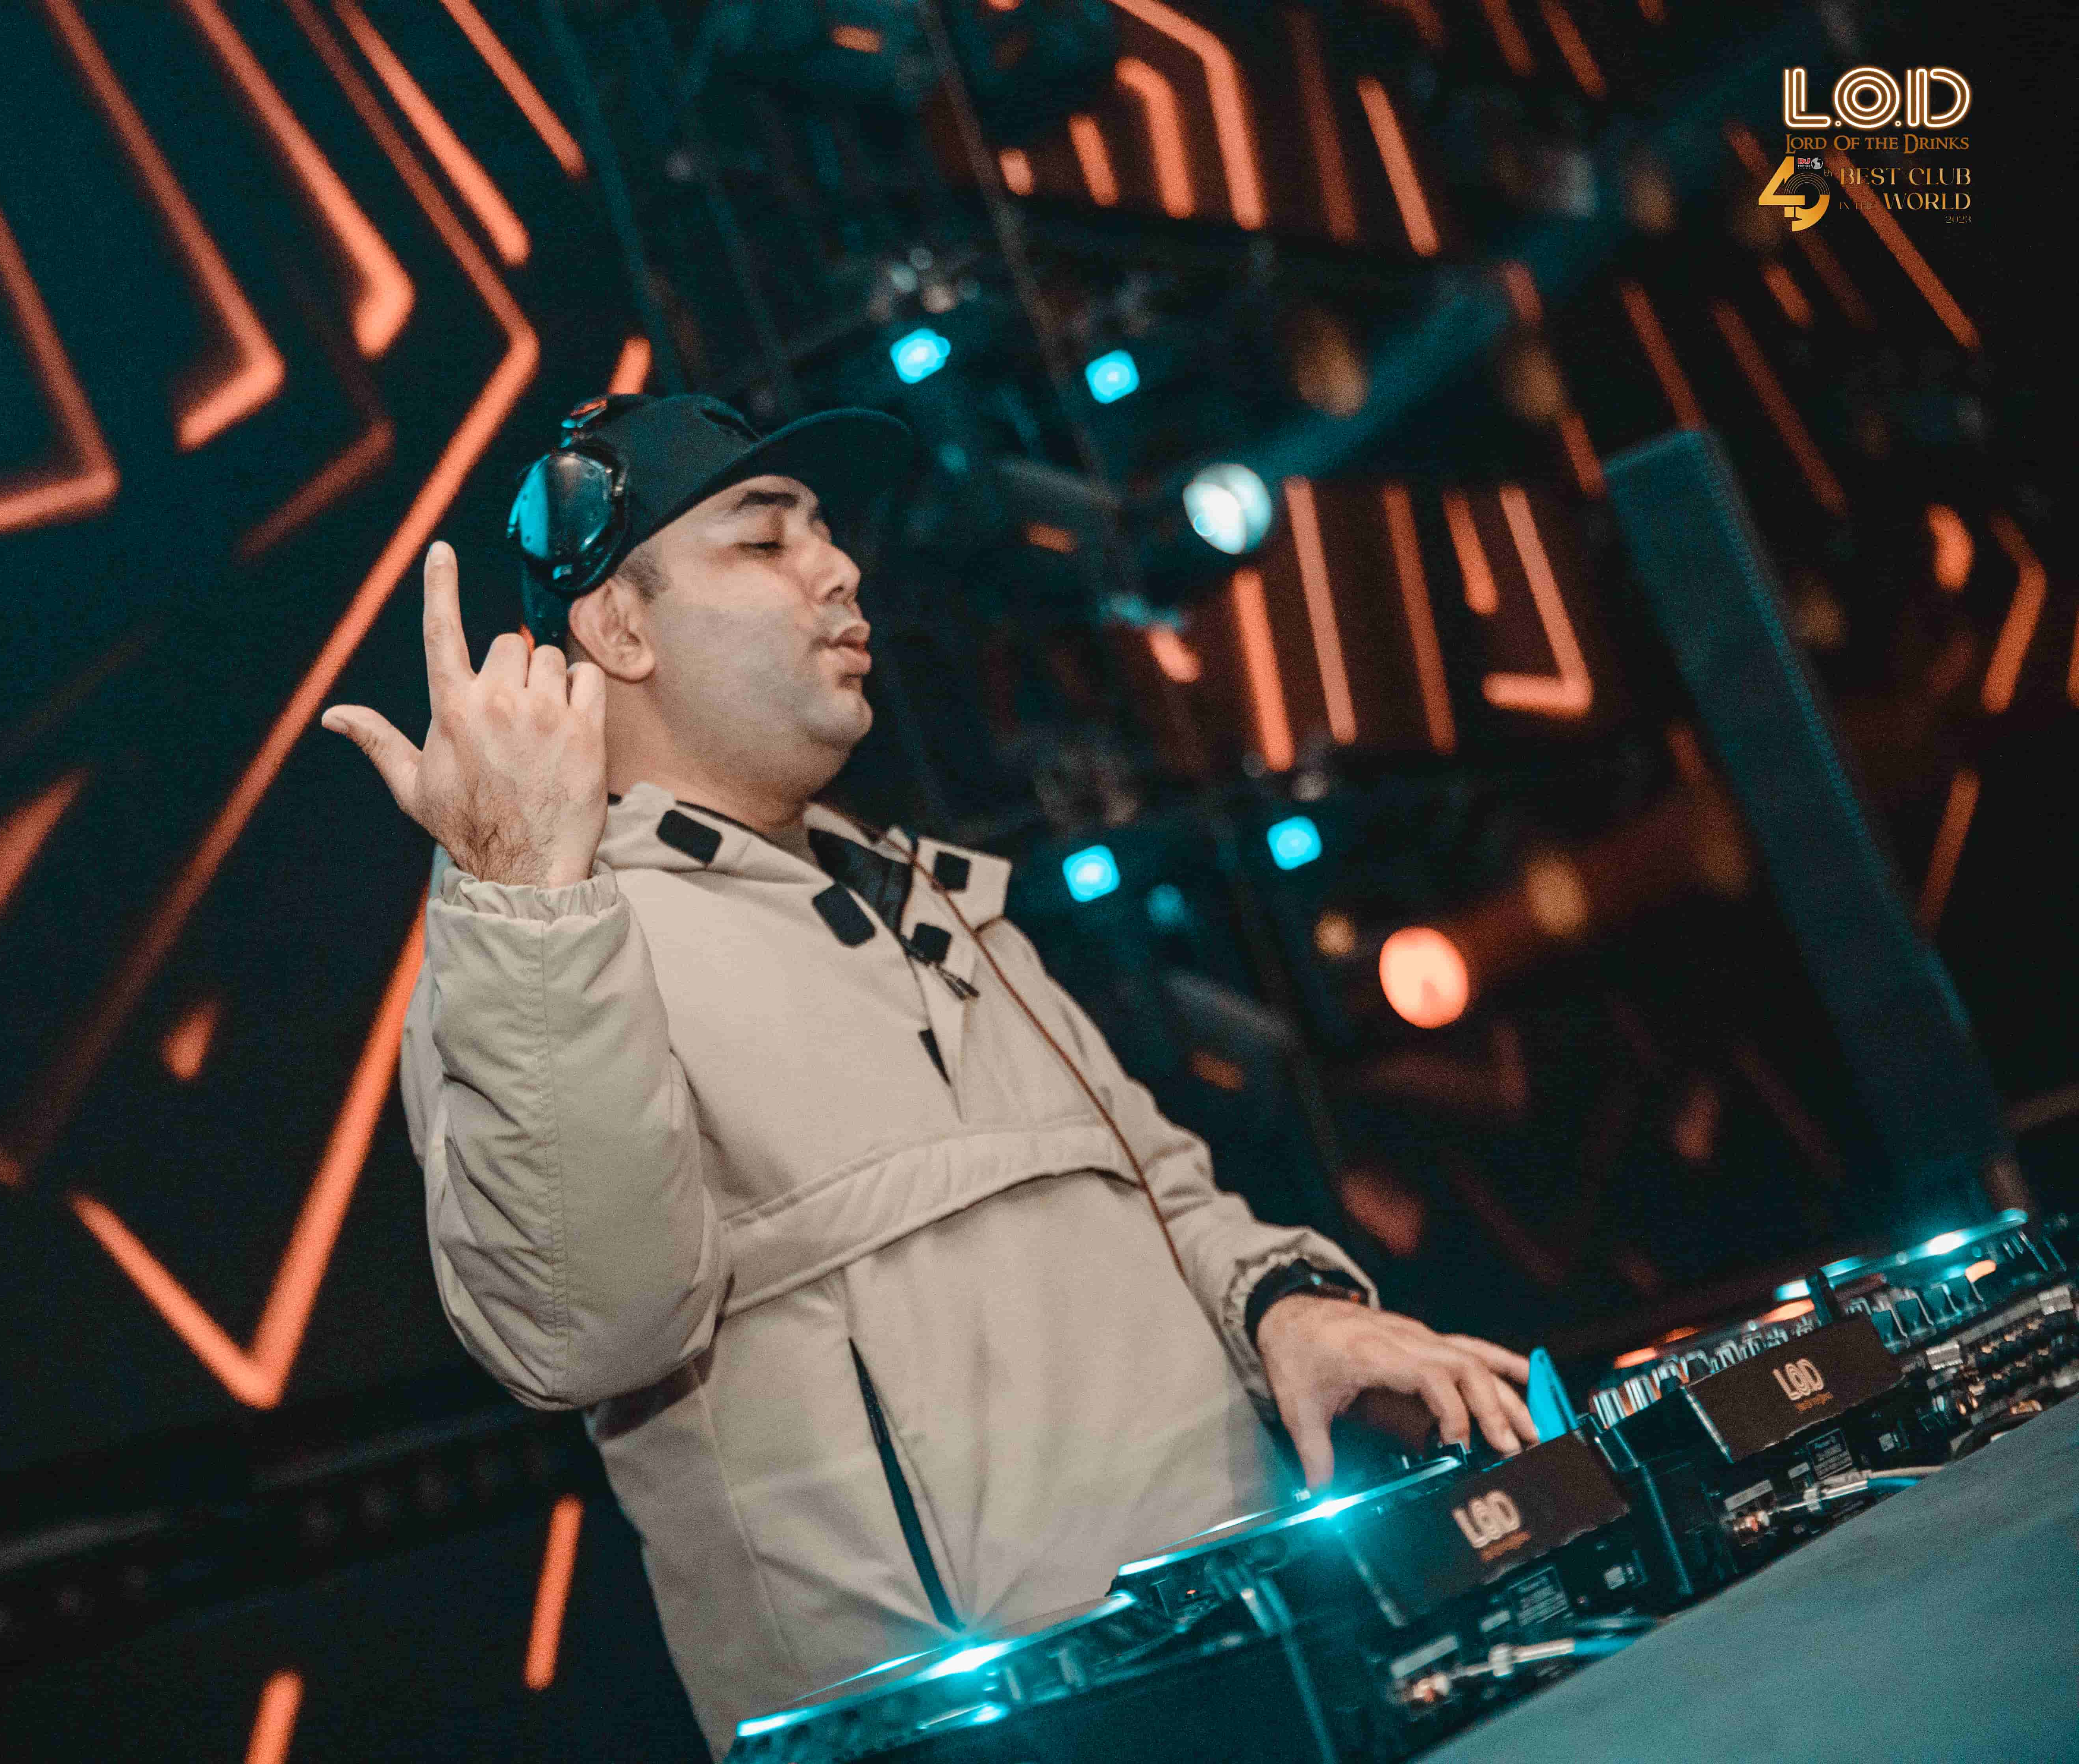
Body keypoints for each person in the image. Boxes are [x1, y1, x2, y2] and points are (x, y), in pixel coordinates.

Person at [320, 393, 1538, 1757]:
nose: (841, 571)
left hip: (1277, 1671)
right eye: (766, 541)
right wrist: (526, 898)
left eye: (829, 533)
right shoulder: (538, 953)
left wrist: (1288, 1310)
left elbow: (1164, 1191)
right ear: (618, 630)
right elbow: (584, 1333)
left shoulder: (937, 902)